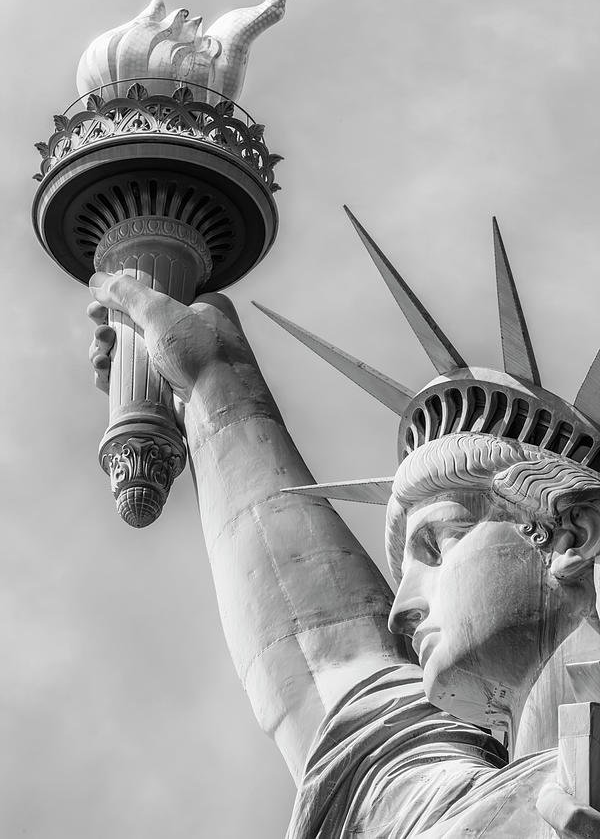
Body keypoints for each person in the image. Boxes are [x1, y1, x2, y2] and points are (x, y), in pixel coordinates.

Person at [87, 270, 600, 838]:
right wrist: (211, 386)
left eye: (436, 543)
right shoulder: (443, 814)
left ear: (570, 535)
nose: (399, 609)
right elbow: (325, 658)